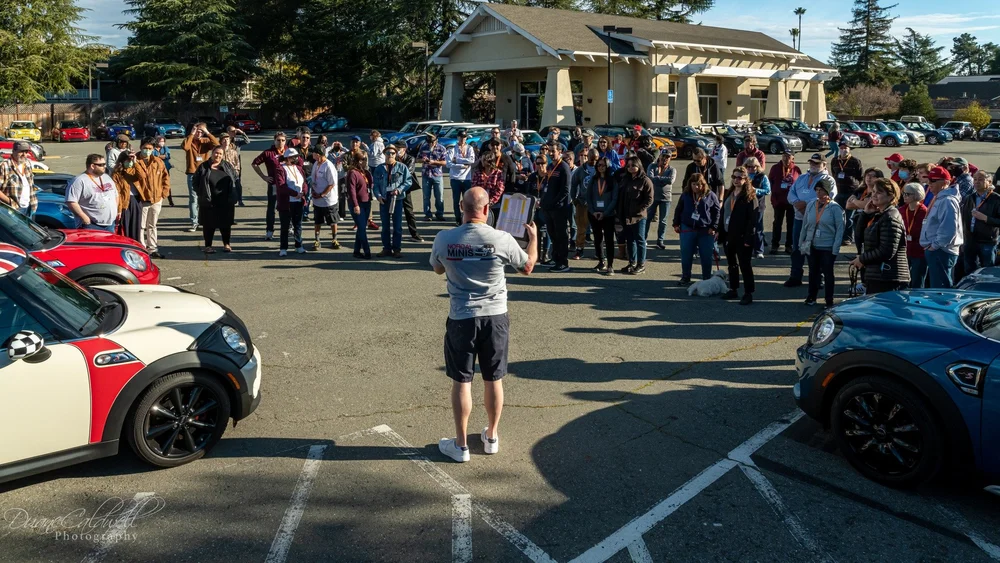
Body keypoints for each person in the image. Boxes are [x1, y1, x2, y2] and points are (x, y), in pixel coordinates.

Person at [430, 187, 537, 463]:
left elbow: (437, 268)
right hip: (495, 316)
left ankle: (461, 444)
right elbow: (527, 267)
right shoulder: (502, 238)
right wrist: (533, 239)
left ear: (461, 208)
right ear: (488, 210)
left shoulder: (445, 238)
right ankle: (491, 436)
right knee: (493, 378)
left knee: (462, 381)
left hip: (461, 317)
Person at [784, 154, 836, 288]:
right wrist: (796, 203)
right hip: (799, 219)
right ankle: (795, 276)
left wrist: (806, 204)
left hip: (817, 220)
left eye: (817, 163)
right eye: (812, 162)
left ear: (824, 165)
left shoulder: (828, 180)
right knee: (797, 248)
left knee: (817, 249)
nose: (813, 165)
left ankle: (819, 278)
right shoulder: (802, 178)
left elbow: (829, 196)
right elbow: (791, 192)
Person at [850, 179, 909, 294]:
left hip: (888, 277)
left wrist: (862, 259)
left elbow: (887, 251)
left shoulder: (890, 217)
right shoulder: (880, 215)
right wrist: (865, 215)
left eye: (879, 192)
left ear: (891, 196)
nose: (874, 195)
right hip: (878, 275)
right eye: (873, 192)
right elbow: (859, 237)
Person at [799, 181, 845, 307]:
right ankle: (811, 297)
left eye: (821, 190)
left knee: (828, 273)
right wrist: (801, 243)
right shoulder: (811, 205)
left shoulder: (835, 208)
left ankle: (829, 300)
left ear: (828, 191)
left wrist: (835, 249)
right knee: (813, 271)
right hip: (811, 244)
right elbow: (805, 225)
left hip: (827, 247)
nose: (818, 192)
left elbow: (840, 229)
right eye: (817, 189)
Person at [720, 166, 759, 305]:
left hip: (742, 236)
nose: (736, 180)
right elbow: (723, 213)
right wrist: (720, 232)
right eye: (734, 177)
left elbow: (753, 220)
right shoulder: (729, 193)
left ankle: (748, 293)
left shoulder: (750, 196)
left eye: (740, 178)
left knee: (745, 265)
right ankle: (733, 288)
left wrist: (749, 237)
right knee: (732, 264)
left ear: (745, 179)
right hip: (728, 234)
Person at [672, 173, 720, 286]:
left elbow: (717, 212)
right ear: (690, 184)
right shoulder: (686, 194)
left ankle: (707, 278)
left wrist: (714, 227)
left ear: (703, 184)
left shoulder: (711, 195)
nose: (696, 187)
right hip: (687, 228)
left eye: (698, 185)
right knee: (686, 254)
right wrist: (676, 224)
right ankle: (685, 277)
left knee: (706, 256)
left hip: (706, 230)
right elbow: (678, 209)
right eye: (694, 184)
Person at [920, 166, 963, 288]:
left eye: (933, 180)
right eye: (928, 180)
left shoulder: (947, 200)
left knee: (940, 290)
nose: (929, 184)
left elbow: (949, 229)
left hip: (941, 251)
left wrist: (935, 246)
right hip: (938, 250)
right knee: (936, 288)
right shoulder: (940, 198)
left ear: (945, 182)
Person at [193, 146, 239, 253]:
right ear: (212, 153)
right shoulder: (203, 167)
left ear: (223, 156)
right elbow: (195, 182)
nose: (217, 155)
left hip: (226, 201)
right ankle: (208, 246)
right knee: (209, 225)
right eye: (216, 153)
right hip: (209, 201)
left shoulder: (227, 166)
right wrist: (201, 194)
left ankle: (226, 244)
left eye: (220, 154)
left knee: (226, 224)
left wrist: (233, 195)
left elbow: (235, 178)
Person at [615, 155, 653, 275]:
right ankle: (632, 263)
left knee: (640, 240)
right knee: (630, 240)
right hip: (625, 216)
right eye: (629, 166)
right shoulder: (625, 179)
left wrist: (639, 210)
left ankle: (641, 265)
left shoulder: (645, 180)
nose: (631, 168)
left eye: (634, 165)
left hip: (638, 217)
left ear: (639, 166)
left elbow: (649, 199)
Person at [372, 145, 412, 258]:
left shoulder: (402, 167)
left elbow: (408, 181)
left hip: (397, 199)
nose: (390, 155)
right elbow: (375, 185)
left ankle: (397, 249)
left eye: (393, 153)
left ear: (396, 155)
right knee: (385, 226)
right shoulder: (379, 168)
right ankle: (386, 248)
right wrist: (378, 196)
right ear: (384, 154)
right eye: (388, 153)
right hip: (384, 200)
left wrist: (399, 190)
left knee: (397, 226)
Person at [134, 138, 170, 258]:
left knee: (152, 224)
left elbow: (166, 178)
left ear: (153, 149)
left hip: (156, 198)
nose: (147, 151)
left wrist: (164, 193)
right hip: (142, 199)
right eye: (145, 148)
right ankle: (141, 248)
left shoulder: (158, 161)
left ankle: (152, 248)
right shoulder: (135, 161)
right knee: (141, 225)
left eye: (150, 148)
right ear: (140, 147)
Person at [540, 142, 572, 272]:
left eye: (554, 151)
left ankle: (563, 262)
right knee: (552, 234)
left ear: (560, 152)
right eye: (550, 151)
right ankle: (555, 257)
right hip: (548, 208)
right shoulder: (550, 166)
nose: (552, 154)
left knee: (561, 235)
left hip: (559, 208)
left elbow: (565, 190)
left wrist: (554, 203)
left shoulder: (563, 167)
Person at [181, 122, 219, 233]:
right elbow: (185, 147)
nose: (199, 133)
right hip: (192, 173)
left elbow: (217, 145)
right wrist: (191, 134)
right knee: (194, 199)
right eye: (197, 130)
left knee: (208, 198)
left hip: (205, 172)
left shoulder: (206, 141)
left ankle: (207, 221)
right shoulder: (189, 140)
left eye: (201, 131)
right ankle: (194, 222)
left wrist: (207, 132)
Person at [961, 170, 1000, 274]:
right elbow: (964, 218)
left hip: (987, 241)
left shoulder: (996, 199)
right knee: (969, 271)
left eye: (981, 179)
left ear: (989, 182)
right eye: (975, 179)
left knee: (987, 272)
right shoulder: (970, 198)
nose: (977, 182)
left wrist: (986, 218)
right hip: (970, 240)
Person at [66, 154, 118, 232]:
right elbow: (71, 202)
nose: (104, 166)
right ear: (92, 166)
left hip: (110, 224)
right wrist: (84, 217)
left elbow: (116, 195)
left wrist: (115, 210)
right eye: (101, 165)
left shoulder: (106, 177)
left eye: (105, 164)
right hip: (92, 225)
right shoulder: (79, 181)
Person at [252, 132, 288, 241]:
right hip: (274, 185)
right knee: (272, 208)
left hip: (288, 185)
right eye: (278, 140)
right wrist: (264, 176)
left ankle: (288, 227)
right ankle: (269, 230)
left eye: (282, 140)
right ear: (274, 140)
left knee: (288, 207)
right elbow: (254, 163)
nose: (280, 142)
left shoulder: (289, 151)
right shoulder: (268, 153)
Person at [586, 157, 617, 275]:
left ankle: (610, 265)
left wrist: (605, 213)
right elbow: (588, 196)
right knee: (598, 239)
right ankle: (601, 261)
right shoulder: (593, 180)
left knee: (609, 240)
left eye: (603, 165)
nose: (601, 167)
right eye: (599, 165)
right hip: (594, 214)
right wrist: (593, 211)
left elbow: (614, 198)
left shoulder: (612, 180)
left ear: (607, 166)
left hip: (608, 215)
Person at [830, 142, 863, 246]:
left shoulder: (855, 161)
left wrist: (854, 186)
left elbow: (860, 176)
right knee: (838, 216)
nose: (843, 150)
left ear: (849, 149)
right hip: (838, 192)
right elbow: (834, 173)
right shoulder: (835, 160)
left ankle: (847, 238)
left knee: (849, 218)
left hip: (851, 193)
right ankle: (838, 236)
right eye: (841, 148)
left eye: (846, 148)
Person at [768, 150, 801, 254]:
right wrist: (774, 197)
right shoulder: (775, 168)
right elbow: (770, 182)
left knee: (791, 224)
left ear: (793, 159)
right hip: (778, 201)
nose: (786, 159)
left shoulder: (796, 169)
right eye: (784, 156)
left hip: (791, 202)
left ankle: (789, 245)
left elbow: (799, 185)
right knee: (777, 223)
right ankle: (775, 245)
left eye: (788, 157)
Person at [276, 148, 307, 256]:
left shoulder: (299, 168)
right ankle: (283, 248)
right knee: (285, 226)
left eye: (296, 156)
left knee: (298, 224)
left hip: (299, 201)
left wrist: (303, 192)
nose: (296, 158)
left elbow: (304, 183)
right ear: (287, 158)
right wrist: (295, 193)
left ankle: (299, 245)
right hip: (287, 202)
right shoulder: (280, 169)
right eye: (293, 156)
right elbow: (281, 186)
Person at [309, 145, 340, 250]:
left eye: (313, 153)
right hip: (317, 200)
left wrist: (322, 194)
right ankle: (317, 240)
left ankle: (334, 239)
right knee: (317, 221)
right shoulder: (316, 164)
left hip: (328, 200)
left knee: (332, 221)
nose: (312, 154)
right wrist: (313, 191)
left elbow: (332, 184)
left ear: (318, 154)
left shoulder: (329, 166)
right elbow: (313, 179)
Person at [847, 167, 884, 254]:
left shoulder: (878, 191)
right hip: (858, 219)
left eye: (872, 176)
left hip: (871, 220)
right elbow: (848, 205)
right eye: (867, 175)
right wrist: (861, 203)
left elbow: (867, 205)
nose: (869, 178)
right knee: (858, 241)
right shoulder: (860, 190)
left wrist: (855, 201)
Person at [645, 148, 676, 250]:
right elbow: (650, 178)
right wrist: (662, 180)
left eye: (667, 157)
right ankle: (643, 239)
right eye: (663, 157)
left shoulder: (672, 170)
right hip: (652, 197)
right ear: (660, 156)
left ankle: (660, 241)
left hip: (666, 198)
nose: (665, 159)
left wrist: (657, 178)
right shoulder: (652, 166)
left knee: (663, 221)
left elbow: (671, 181)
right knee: (648, 218)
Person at [345, 150, 373, 259]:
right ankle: (367, 251)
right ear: (358, 161)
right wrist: (356, 205)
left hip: (367, 202)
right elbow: (351, 191)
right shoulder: (353, 173)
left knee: (362, 227)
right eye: (364, 159)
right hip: (357, 204)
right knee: (361, 228)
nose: (366, 161)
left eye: (366, 159)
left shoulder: (365, 172)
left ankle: (356, 251)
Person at [110, 150, 142, 243]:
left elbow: (142, 176)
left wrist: (135, 162)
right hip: (124, 203)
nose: (130, 163)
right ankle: (127, 245)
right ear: (122, 161)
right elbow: (117, 193)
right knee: (126, 227)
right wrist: (119, 210)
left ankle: (136, 245)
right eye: (128, 161)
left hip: (136, 200)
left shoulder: (133, 169)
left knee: (136, 227)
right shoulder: (116, 174)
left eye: (131, 160)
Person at [570, 149, 597, 260]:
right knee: (581, 228)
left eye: (595, 158)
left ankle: (598, 251)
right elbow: (574, 184)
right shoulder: (581, 170)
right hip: (582, 202)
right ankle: (579, 250)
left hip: (597, 204)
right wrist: (574, 199)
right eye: (591, 158)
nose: (593, 160)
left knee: (597, 229)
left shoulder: (601, 169)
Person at [900, 183, 928, 288]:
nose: (905, 196)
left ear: (917, 195)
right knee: (903, 279)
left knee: (917, 280)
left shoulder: (924, 211)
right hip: (905, 250)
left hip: (919, 251)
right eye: (904, 194)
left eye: (908, 194)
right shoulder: (902, 210)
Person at [394, 141, 423, 242]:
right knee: (392, 211)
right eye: (395, 148)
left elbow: (407, 173)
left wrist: (396, 174)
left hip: (405, 189)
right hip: (393, 188)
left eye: (398, 148)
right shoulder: (393, 157)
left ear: (404, 149)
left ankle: (414, 234)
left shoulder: (410, 158)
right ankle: (394, 235)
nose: (396, 151)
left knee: (409, 211)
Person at [742, 157, 770, 258]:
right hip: (745, 206)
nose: (750, 169)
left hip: (758, 206)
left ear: (757, 166)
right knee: (745, 228)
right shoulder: (743, 176)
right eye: (748, 167)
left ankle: (759, 250)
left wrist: (756, 191)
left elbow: (767, 190)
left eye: (753, 167)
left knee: (758, 228)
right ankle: (746, 248)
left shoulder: (762, 177)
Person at [527, 156, 552, 264]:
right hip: (534, 208)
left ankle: (545, 254)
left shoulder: (549, 177)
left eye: (543, 163)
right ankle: (536, 253)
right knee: (534, 231)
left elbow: (551, 192)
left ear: (547, 164)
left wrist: (543, 201)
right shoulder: (533, 177)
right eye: (538, 163)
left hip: (545, 207)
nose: (540, 165)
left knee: (546, 231)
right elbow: (527, 192)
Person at [447, 131, 476, 225]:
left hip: (466, 178)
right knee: (456, 200)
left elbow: (471, 160)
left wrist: (457, 160)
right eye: (461, 137)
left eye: (464, 137)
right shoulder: (452, 149)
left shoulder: (470, 148)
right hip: (455, 178)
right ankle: (458, 219)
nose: (462, 139)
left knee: (467, 200)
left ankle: (466, 218)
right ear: (458, 137)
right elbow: (448, 164)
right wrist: (462, 166)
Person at [0, 141, 36, 216]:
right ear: (13, 151)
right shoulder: (5, 165)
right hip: (12, 209)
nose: (24, 154)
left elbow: (31, 185)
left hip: (29, 207)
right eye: (21, 152)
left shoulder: (27, 164)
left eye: (26, 152)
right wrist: (10, 202)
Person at [420, 133, 448, 221]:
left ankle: (439, 213)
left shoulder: (441, 148)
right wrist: (422, 160)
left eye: (432, 142)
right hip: (426, 174)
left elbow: (445, 162)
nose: (430, 144)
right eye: (428, 142)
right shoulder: (423, 147)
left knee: (439, 196)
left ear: (436, 141)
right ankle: (427, 214)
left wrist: (434, 162)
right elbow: (417, 158)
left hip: (437, 175)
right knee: (426, 196)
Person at [218, 133, 243, 220]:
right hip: (221, 176)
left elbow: (237, 163)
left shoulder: (234, 152)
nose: (226, 141)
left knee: (231, 198)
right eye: (224, 140)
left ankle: (230, 218)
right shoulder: (218, 151)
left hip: (232, 176)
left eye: (227, 139)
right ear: (221, 141)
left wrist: (236, 171)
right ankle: (221, 218)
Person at [153, 136, 174, 206]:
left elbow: (167, 156)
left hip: (165, 169)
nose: (162, 143)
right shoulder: (152, 149)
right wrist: (161, 156)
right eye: (160, 141)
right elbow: (152, 157)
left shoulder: (165, 148)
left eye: (163, 141)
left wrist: (157, 156)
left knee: (166, 184)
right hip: (155, 170)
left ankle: (170, 200)